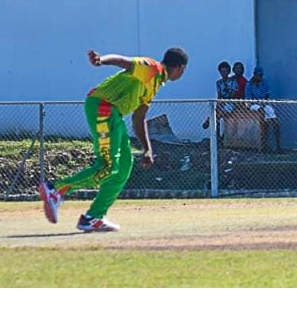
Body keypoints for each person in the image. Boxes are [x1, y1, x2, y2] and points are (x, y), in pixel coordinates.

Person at [38, 47, 188, 232]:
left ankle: (93, 218)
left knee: (124, 166)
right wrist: (101, 60)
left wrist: (147, 148)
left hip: (114, 114)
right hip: (103, 107)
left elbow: (138, 118)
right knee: (108, 166)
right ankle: (57, 190)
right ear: (180, 68)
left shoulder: (155, 82)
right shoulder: (152, 68)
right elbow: (125, 61)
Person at [246, 66, 280, 151]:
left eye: (260, 75)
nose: (259, 77)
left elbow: (267, 94)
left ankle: (278, 146)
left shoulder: (264, 82)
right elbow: (248, 99)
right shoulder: (249, 84)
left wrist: (264, 102)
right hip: (253, 104)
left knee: (275, 121)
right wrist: (257, 103)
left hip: (264, 103)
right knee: (262, 114)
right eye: (257, 75)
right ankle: (263, 145)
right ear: (254, 75)